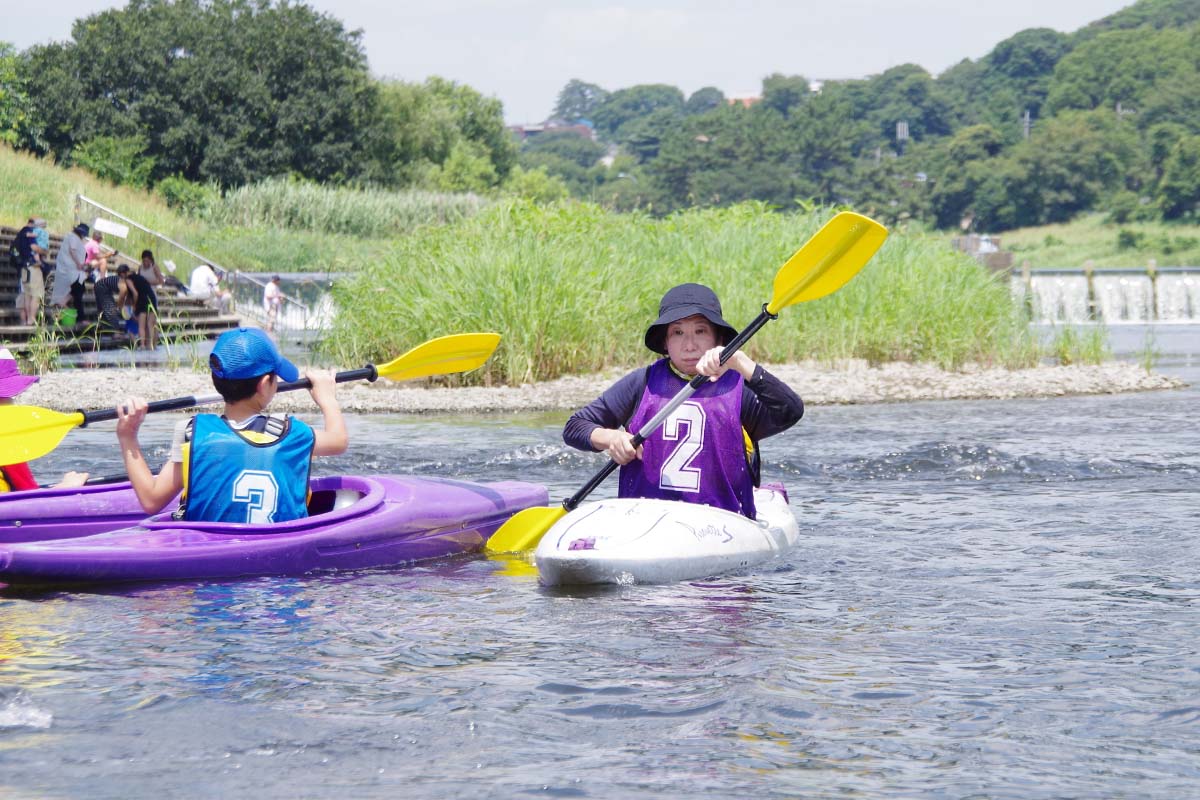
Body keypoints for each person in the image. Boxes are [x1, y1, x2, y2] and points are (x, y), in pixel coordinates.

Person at [562, 283, 804, 519]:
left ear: (718, 338)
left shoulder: (738, 387)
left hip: (724, 524)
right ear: (665, 342)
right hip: (643, 521)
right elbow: (575, 427)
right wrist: (612, 438)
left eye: (700, 331)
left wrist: (740, 362)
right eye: (678, 333)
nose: (689, 346)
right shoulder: (642, 383)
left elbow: (790, 410)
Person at [115, 327, 348, 522]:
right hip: (278, 564)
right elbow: (338, 441)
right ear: (265, 384)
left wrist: (128, 437)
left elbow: (151, 500)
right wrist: (327, 398)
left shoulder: (190, 432)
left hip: (208, 560)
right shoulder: (294, 434)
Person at [0, 349, 89, 491]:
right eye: (9, 397)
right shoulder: (6, 443)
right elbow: (31, 498)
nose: (12, 402)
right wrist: (66, 487)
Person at [52, 223, 90, 324]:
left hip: (71, 270)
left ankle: (62, 302)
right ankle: (80, 318)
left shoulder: (71, 237)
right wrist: (79, 264)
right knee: (78, 291)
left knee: (78, 289)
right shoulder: (73, 237)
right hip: (72, 270)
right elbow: (72, 250)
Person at [13, 217, 48, 325]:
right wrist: (45, 251)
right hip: (33, 268)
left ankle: (27, 319)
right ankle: (31, 319)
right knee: (37, 295)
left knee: (27, 295)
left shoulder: (21, 234)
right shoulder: (31, 232)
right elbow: (34, 247)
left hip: (24, 268)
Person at [115, 263, 159, 349]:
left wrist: (134, 306)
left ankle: (142, 345)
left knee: (141, 325)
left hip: (142, 301)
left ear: (123, 273)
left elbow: (135, 293)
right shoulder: (139, 276)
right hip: (152, 298)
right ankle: (153, 345)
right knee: (152, 324)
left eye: (121, 276)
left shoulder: (128, 279)